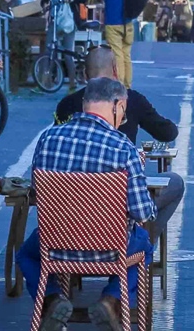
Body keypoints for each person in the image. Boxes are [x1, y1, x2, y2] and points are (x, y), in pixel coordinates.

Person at [19, 77, 155, 331]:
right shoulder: (123, 148)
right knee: (144, 245)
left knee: (26, 255)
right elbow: (142, 212)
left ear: (84, 103)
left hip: (55, 246)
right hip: (110, 248)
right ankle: (111, 300)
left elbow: (37, 193)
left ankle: (52, 299)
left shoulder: (48, 139)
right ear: (118, 106)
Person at [55, 46, 185, 233]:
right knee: (172, 183)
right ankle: (142, 242)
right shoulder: (125, 146)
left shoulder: (53, 133)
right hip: (112, 221)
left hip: (65, 224)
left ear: (84, 75)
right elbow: (168, 133)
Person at [92, 0, 137, 86]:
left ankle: (120, 86)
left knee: (117, 55)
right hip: (128, 20)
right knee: (126, 55)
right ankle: (128, 87)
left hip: (112, 21)